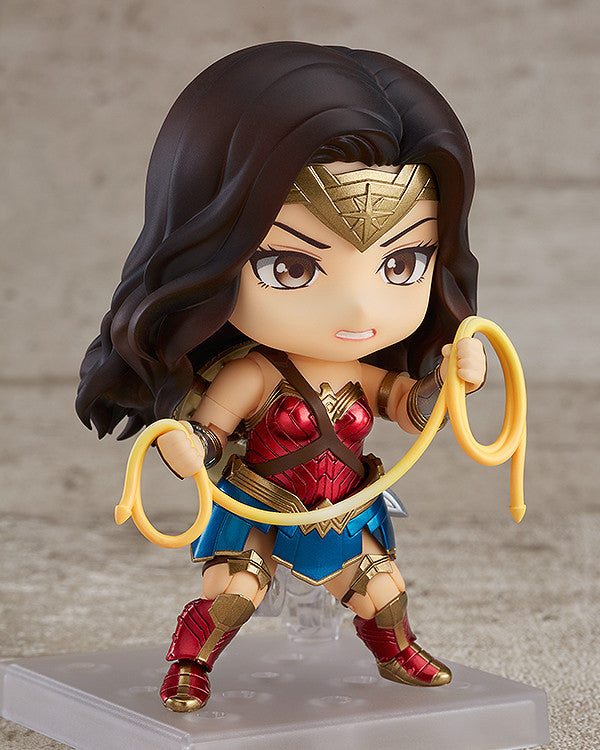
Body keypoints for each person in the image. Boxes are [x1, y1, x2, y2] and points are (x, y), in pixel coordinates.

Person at [77, 42, 486, 712]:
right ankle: (189, 663)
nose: (360, 309)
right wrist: (186, 446)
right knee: (234, 592)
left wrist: (449, 380)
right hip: (260, 504)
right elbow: (209, 433)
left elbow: (413, 409)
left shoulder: (359, 370)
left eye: (402, 264)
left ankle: (397, 651)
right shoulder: (255, 373)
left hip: (342, 507)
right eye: (291, 267)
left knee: (384, 592)